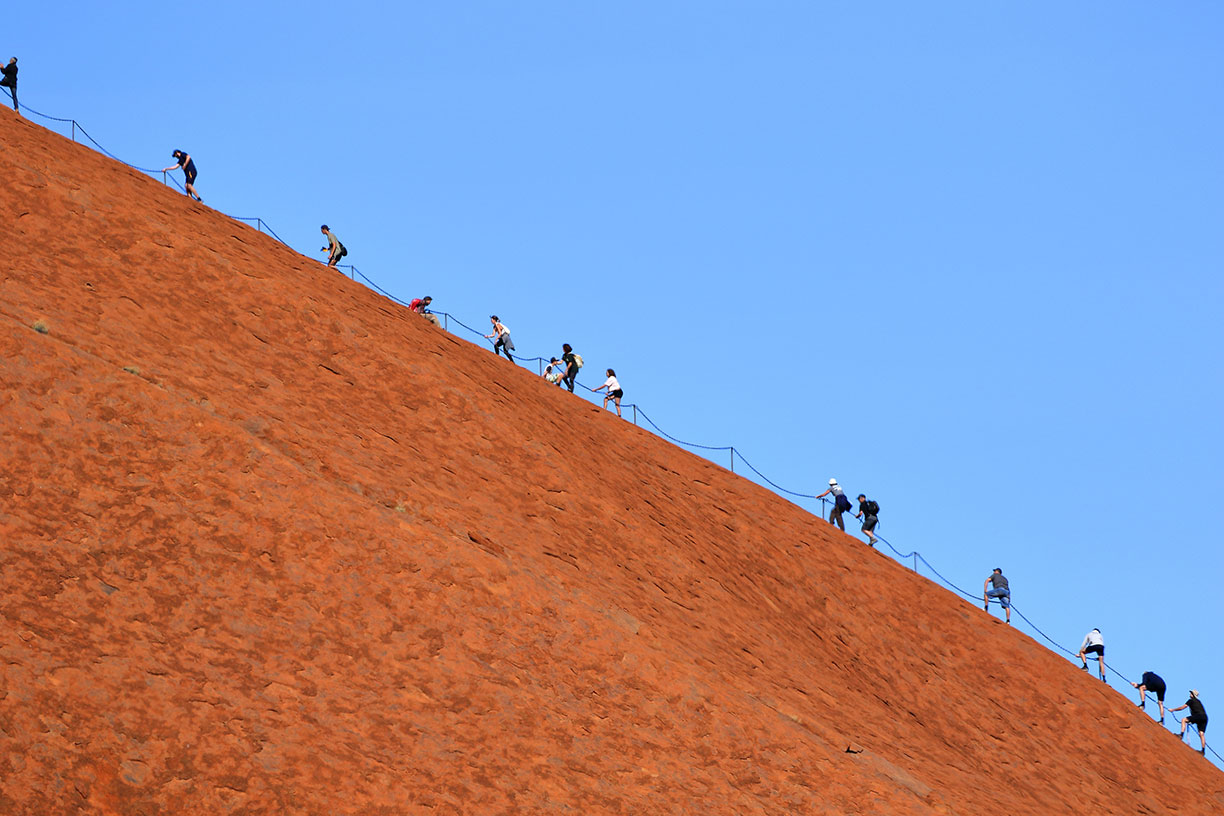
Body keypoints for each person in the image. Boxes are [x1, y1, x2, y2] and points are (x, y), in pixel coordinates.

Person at [1169, 690, 1208, 755]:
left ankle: (1180, 735)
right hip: (1204, 717)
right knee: (1201, 734)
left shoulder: (1191, 700)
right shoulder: (1198, 701)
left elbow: (1182, 707)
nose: (1190, 694)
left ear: (1193, 694)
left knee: (1184, 720)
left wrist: (1173, 710)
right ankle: (1203, 751)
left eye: (1191, 693)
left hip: (1198, 715)